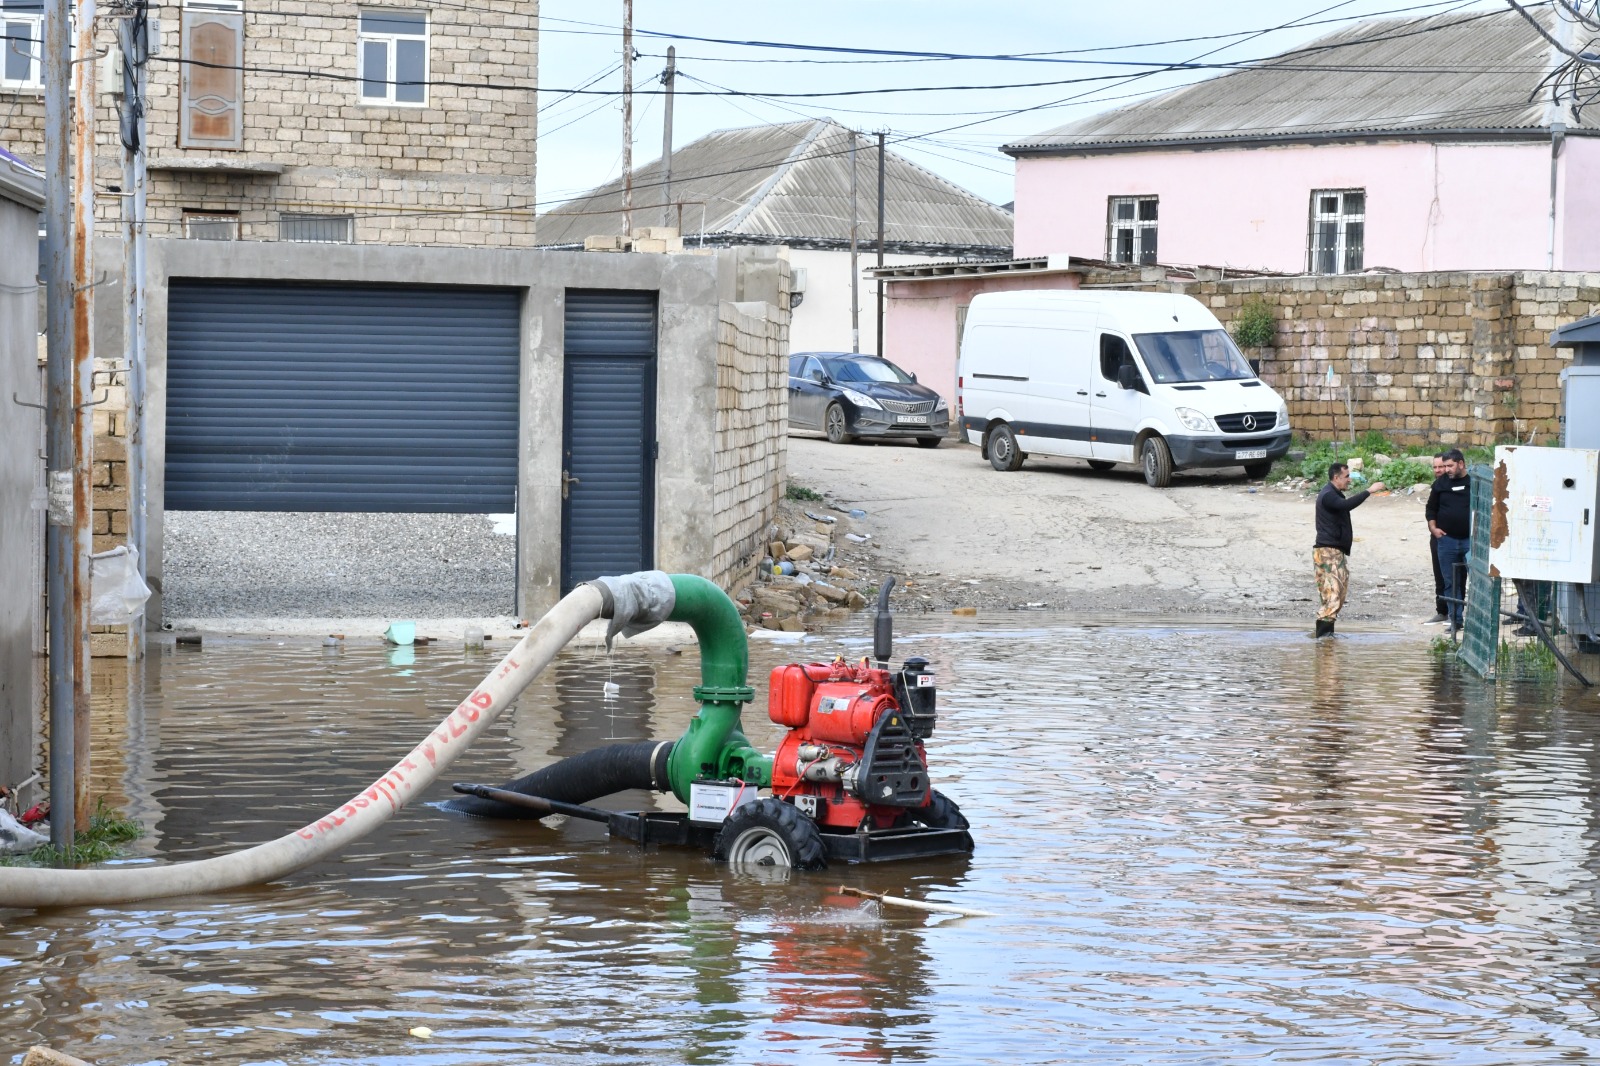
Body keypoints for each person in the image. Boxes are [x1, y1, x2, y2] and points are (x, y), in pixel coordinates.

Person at [1313, 462, 1385, 637]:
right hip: (1327, 553)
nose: (1349, 480)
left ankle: (1326, 639)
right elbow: (1346, 506)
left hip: (1336, 552)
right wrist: (1369, 490)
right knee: (1332, 596)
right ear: (1336, 478)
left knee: (1339, 594)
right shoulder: (1328, 495)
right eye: (1347, 476)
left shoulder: (1334, 493)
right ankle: (1324, 640)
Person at [1426, 448, 1472, 630]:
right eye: (1444, 466)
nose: (1446, 470)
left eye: (1450, 466)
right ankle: (1456, 620)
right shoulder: (1440, 484)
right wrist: (1433, 528)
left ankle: (1477, 620)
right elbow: (1431, 508)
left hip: (1470, 541)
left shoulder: (1473, 482)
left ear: (1461, 464)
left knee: (1474, 580)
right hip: (1447, 540)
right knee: (1450, 582)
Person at [1424, 453, 1449, 624]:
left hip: (1458, 538)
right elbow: (1430, 509)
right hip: (1438, 537)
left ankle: (1456, 614)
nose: (1439, 470)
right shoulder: (1436, 486)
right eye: (1435, 467)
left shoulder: (1462, 484)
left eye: (1441, 467)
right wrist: (1433, 529)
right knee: (1439, 575)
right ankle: (1442, 611)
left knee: (1456, 577)